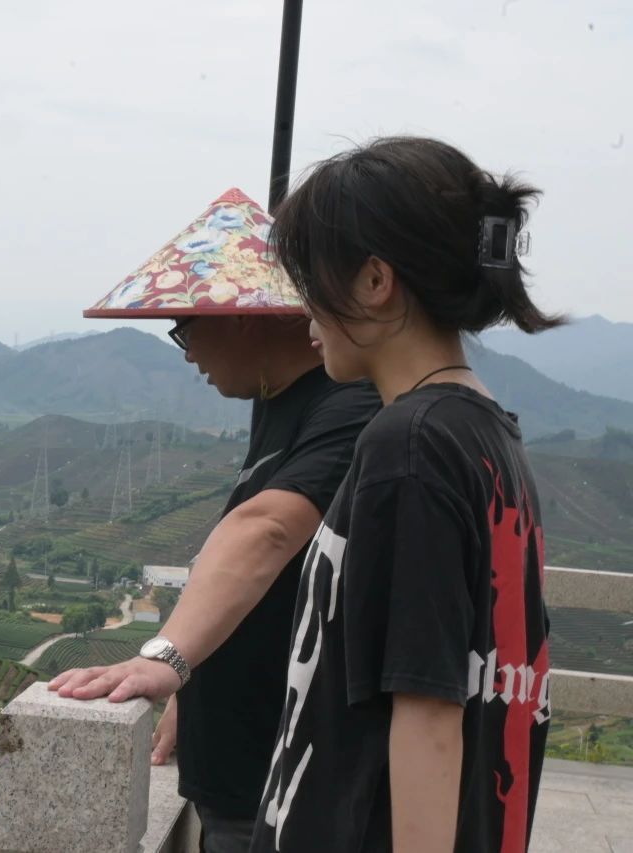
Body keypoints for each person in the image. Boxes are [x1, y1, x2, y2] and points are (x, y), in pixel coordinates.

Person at [252, 136, 557, 852]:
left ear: (373, 280)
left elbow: (427, 715)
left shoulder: (410, 445)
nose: (305, 311)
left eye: (311, 279)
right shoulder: (487, 433)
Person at [55, 188, 379, 852]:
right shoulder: (280, 404)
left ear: (242, 318)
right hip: (238, 775)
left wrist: (166, 658)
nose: (184, 353)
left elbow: (268, 529)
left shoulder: (350, 408)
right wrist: (194, 672)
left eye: (184, 327)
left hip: (282, 786)